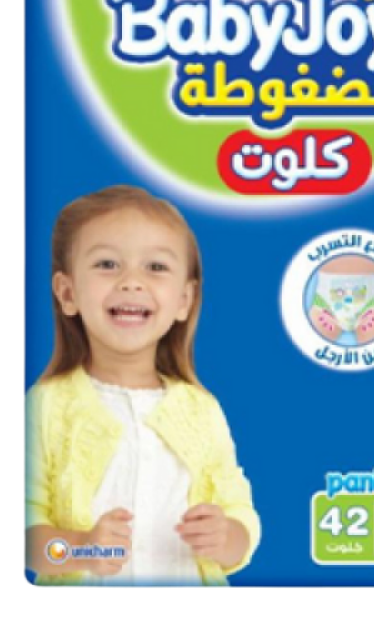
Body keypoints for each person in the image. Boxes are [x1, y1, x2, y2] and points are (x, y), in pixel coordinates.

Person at [24, 185, 260, 587]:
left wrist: (228, 537)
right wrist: (82, 548)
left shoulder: (201, 410)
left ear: (184, 299)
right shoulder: (45, 407)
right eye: (107, 264)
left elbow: (241, 514)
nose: (132, 282)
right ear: (67, 293)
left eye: (156, 267)